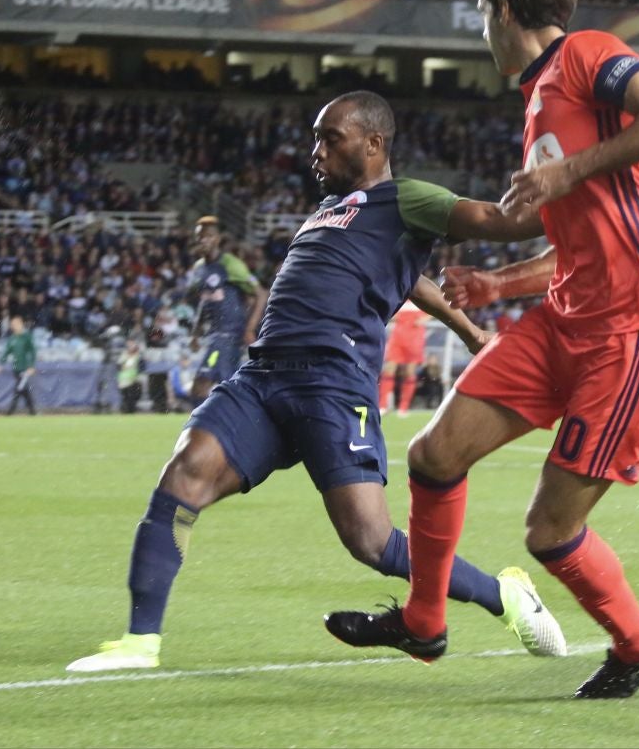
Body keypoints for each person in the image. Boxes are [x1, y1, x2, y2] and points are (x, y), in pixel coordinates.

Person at [66, 91, 565, 674]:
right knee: (182, 477)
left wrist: (570, 186)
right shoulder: (334, 208)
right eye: (316, 138)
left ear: (375, 144)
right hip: (262, 376)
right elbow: (407, 279)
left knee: (372, 542)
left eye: (331, 138)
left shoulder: (407, 198)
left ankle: (504, 596)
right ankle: (138, 643)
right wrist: (468, 330)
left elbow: (500, 221)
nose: (316, 151)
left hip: (332, 383)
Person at [325, 0, 639, 699]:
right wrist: (498, 284)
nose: (481, 28)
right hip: (567, 321)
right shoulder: (538, 100)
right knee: (434, 456)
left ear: (502, 8)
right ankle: (425, 624)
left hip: (627, 333)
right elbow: (579, 240)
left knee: (548, 533)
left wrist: (564, 167)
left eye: (480, 12)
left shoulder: (586, 54)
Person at [188, 220, 267, 403]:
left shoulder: (230, 264)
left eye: (208, 236)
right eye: (199, 236)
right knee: (227, 386)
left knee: (201, 385)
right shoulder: (199, 268)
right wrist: (195, 332)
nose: (203, 240)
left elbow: (261, 294)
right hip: (214, 334)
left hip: (230, 334)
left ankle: (201, 428)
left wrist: (249, 329)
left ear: (217, 239)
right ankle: (235, 423)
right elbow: (205, 299)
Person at [379, 299, 428, 415]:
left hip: (414, 337)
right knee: (388, 370)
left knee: (409, 372)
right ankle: (382, 405)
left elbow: (437, 305)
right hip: (397, 336)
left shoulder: (422, 292)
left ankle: (404, 407)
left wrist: (425, 318)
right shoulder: (400, 291)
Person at [0, 316, 37, 416]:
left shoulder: (27, 337)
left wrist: (31, 366)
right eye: (13, 325)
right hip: (16, 368)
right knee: (23, 390)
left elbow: (32, 352)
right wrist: (0, 364)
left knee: (19, 389)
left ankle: (10, 412)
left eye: (16, 324)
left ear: (21, 324)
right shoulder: (12, 339)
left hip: (25, 368)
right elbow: (6, 353)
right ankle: (32, 412)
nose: (14, 326)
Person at [118, 339, 144, 414]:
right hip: (124, 380)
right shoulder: (124, 355)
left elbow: (141, 367)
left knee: (132, 397)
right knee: (126, 398)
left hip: (134, 380)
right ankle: (127, 411)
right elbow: (119, 366)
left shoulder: (138, 356)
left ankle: (131, 411)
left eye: (132, 345)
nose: (130, 347)